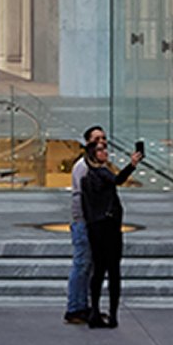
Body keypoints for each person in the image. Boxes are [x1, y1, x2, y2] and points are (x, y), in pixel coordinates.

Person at [80, 133, 141, 329]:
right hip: (108, 227)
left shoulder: (87, 175)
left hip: (95, 228)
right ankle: (112, 314)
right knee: (113, 271)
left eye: (105, 148)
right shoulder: (102, 173)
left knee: (98, 271)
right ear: (92, 153)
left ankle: (95, 311)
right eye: (100, 149)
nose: (104, 152)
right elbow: (118, 180)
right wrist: (132, 164)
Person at [65, 123, 105, 323]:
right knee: (81, 265)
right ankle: (74, 307)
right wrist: (81, 221)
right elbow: (78, 197)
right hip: (85, 223)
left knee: (89, 266)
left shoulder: (98, 166)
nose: (101, 142)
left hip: (95, 223)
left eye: (103, 139)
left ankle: (84, 306)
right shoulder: (82, 167)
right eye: (96, 139)